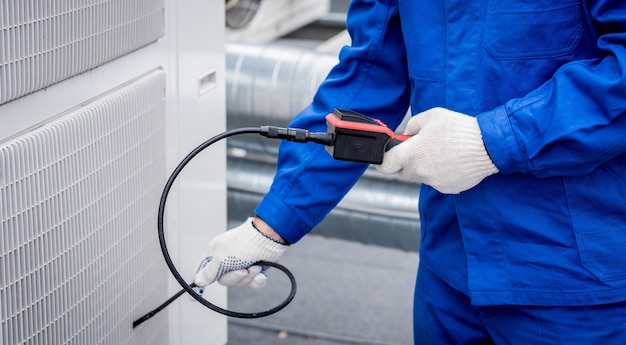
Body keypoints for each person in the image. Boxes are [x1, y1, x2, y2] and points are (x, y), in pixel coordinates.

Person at [194, 0, 626, 343]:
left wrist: (493, 141)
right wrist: (270, 226)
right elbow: (368, 76)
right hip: (449, 268)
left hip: (574, 280)